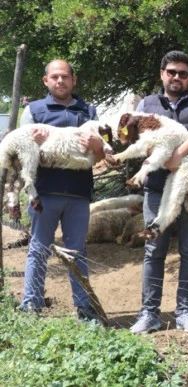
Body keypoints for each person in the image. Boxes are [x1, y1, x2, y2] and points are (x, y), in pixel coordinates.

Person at [129, 50, 188, 334]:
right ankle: (149, 314)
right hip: (156, 190)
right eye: (171, 72)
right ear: (162, 74)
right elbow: (140, 137)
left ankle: (185, 313)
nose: (176, 77)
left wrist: (178, 154)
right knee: (154, 250)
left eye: (182, 73)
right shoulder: (147, 103)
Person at [18, 59, 105, 322]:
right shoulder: (33, 111)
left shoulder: (88, 111)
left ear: (73, 80)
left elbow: (101, 157)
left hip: (78, 194)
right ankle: (31, 307)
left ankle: (85, 310)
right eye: (54, 77)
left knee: (77, 252)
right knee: (38, 249)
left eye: (65, 77)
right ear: (46, 81)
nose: (60, 81)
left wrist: (96, 144)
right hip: (43, 195)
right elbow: (23, 154)